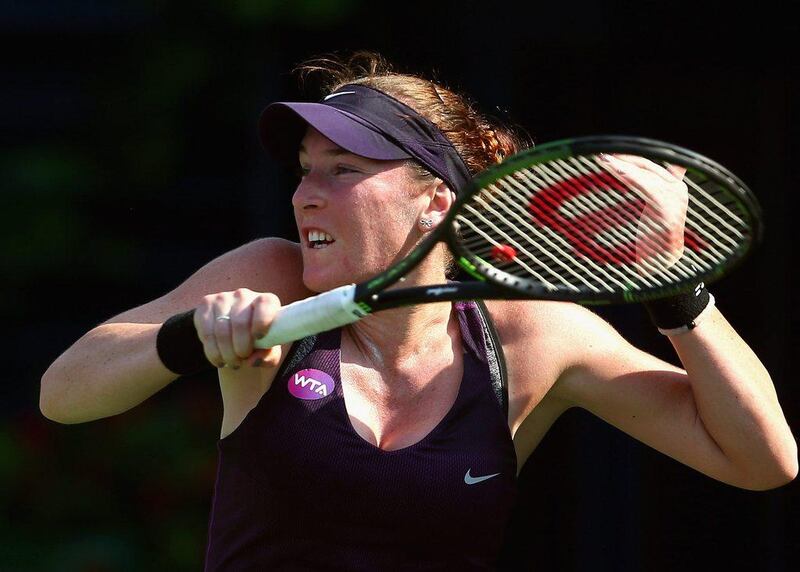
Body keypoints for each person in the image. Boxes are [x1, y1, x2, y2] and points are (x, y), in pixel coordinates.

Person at [40, 51, 797, 570]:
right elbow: (64, 394)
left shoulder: (534, 339)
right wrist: (186, 340)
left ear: (435, 198)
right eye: (306, 171)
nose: (307, 194)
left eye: (344, 171)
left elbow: (761, 461)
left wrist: (677, 293)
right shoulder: (269, 275)